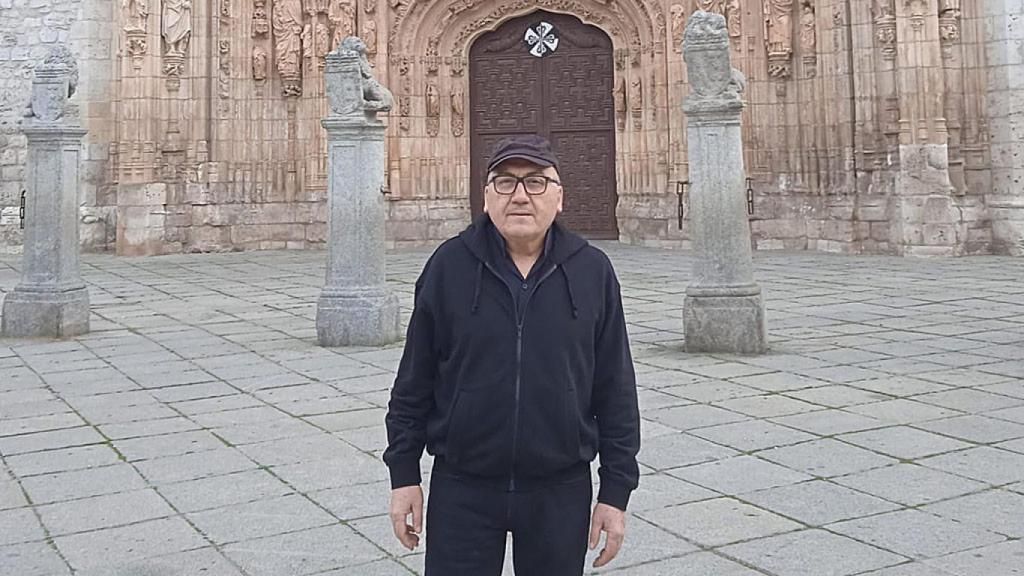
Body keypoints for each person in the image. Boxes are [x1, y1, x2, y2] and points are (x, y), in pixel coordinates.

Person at [384, 134, 641, 575]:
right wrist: (404, 473)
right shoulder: (448, 267)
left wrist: (616, 492)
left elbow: (615, 389)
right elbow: (415, 380)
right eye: (505, 182)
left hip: (560, 490)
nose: (520, 195)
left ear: (559, 198)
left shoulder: (592, 272)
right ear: (486, 197)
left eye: (537, 182)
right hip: (463, 486)